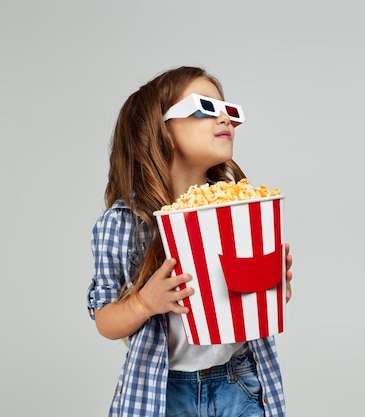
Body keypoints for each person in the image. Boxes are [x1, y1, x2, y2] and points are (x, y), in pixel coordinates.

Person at [87, 65, 293, 417]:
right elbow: (104, 318)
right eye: (205, 108)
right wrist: (143, 304)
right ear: (160, 129)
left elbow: (243, 299)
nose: (225, 118)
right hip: (163, 391)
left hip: (239, 381)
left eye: (229, 110)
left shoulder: (240, 208)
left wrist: (269, 284)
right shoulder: (125, 222)